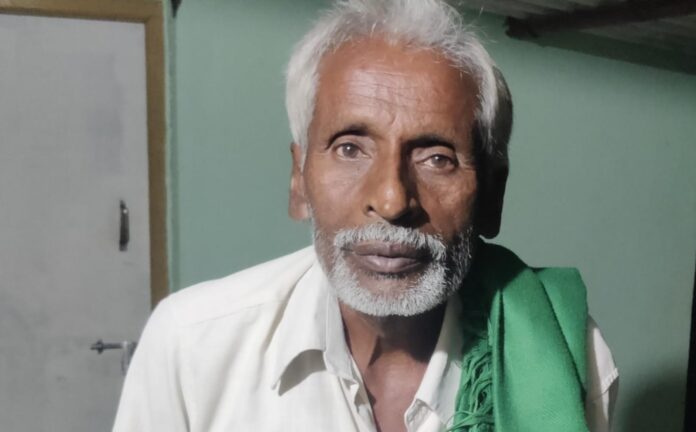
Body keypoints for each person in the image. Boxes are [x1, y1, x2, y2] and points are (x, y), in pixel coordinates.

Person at [113, 1, 618, 431]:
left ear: (492, 195)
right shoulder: (191, 347)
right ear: (298, 181)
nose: (392, 201)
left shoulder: (564, 357)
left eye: (437, 158)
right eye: (350, 148)